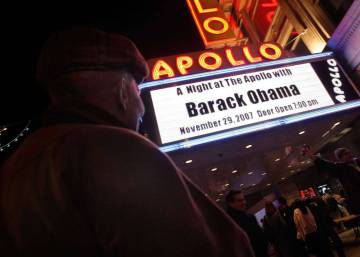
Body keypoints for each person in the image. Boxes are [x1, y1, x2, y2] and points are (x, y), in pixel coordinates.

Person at [0, 28, 255, 257]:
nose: (141, 107)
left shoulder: (15, 166)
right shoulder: (115, 149)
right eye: (138, 90)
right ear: (123, 91)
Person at [301, 145, 360, 214]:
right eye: (345, 154)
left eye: (349, 152)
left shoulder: (358, 162)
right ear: (340, 158)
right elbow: (325, 165)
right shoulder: (342, 168)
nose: (349, 155)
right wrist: (311, 155)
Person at [226, 190, 269, 257]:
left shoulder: (248, 217)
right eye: (240, 200)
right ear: (230, 203)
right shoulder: (231, 223)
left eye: (244, 199)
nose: (244, 202)